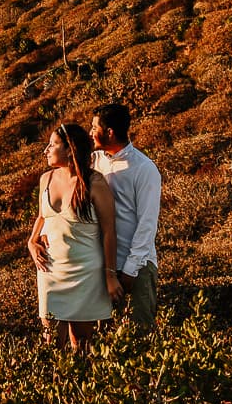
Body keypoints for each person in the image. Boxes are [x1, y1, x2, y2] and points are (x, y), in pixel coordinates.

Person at [26, 123, 124, 351]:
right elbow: (43, 216)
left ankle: (79, 385)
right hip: (50, 271)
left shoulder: (95, 183)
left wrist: (110, 276)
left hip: (86, 273)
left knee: (82, 344)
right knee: (51, 343)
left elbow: (109, 231)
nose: (46, 150)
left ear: (70, 149)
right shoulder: (46, 180)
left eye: (52, 145)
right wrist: (31, 241)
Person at [90, 104, 162, 329]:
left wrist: (131, 269)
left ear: (109, 132)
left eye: (94, 127)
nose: (90, 133)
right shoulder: (95, 161)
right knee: (105, 332)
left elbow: (147, 223)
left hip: (138, 265)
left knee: (141, 332)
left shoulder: (144, 168)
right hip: (105, 263)